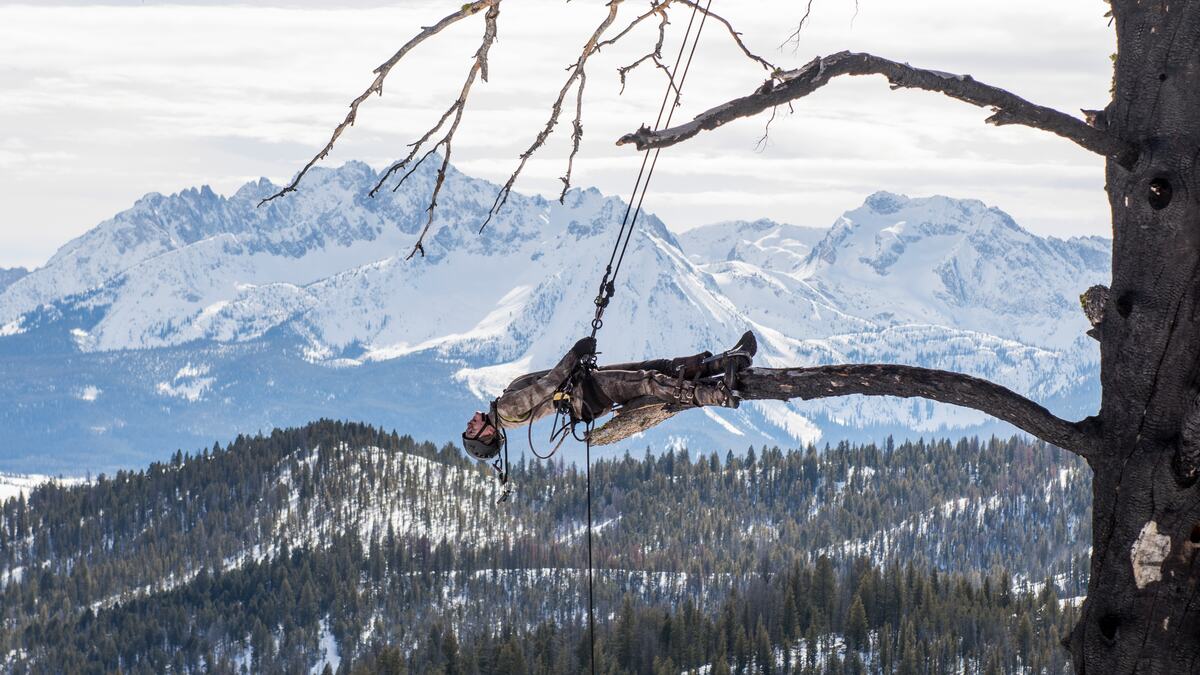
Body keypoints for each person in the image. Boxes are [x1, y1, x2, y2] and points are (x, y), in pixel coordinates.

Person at [461, 331, 758, 461]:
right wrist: (574, 354)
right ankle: (716, 395)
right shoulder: (506, 409)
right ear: (487, 436)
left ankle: (725, 362)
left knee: (654, 368)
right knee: (650, 380)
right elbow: (549, 385)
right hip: (585, 392)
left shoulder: (503, 413)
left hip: (584, 388)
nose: (472, 420)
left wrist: (576, 362)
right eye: (472, 429)